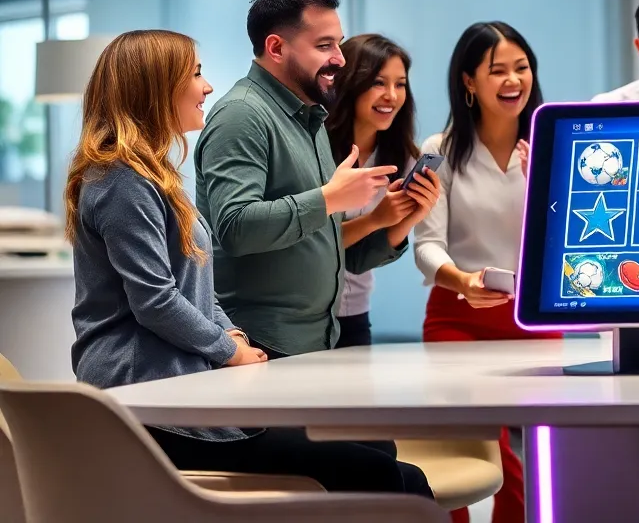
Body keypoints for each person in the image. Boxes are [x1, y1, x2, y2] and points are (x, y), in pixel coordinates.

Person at [67, 30, 432, 498]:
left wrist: (231, 335)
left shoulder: (149, 176)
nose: (207, 87)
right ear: (156, 88)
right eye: (195, 74)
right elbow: (156, 300)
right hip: (148, 402)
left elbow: (196, 281)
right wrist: (227, 347)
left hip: (181, 392)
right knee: (385, 475)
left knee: (389, 466)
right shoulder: (120, 181)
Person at [195, 0, 409, 358]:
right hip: (262, 345)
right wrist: (329, 198)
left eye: (338, 44)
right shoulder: (242, 114)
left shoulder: (306, 117)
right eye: (324, 46)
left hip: (317, 341)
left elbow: (329, 252)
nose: (340, 59)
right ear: (276, 47)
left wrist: (402, 219)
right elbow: (235, 228)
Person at [414, 21, 561, 523]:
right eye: (497, 70)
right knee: (479, 449)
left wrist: (546, 178)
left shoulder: (550, 144)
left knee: (538, 451)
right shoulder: (439, 148)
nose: (513, 79)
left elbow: (572, 246)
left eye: (521, 68)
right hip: (457, 318)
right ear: (469, 82)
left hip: (532, 319)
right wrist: (464, 283)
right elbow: (426, 245)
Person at [325, 34, 440, 347]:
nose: (391, 95)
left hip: (354, 311)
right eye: (378, 82)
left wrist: (408, 216)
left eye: (400, 84)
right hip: (304, 314)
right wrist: (376, 219)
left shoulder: (403, 157)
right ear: (349, 83)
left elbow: (363, 258)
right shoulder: (315, 146)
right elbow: (311, 245)